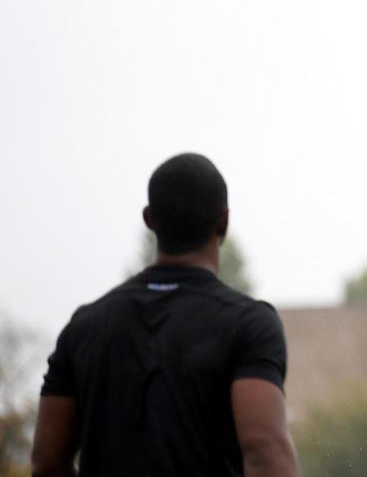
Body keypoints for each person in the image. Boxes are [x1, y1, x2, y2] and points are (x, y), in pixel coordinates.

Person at [31, 153, 298, 477]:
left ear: (149, 219)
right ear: (223, 221)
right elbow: (265, 450)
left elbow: (47, 461)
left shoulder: (84, 327)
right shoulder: (248, 325)